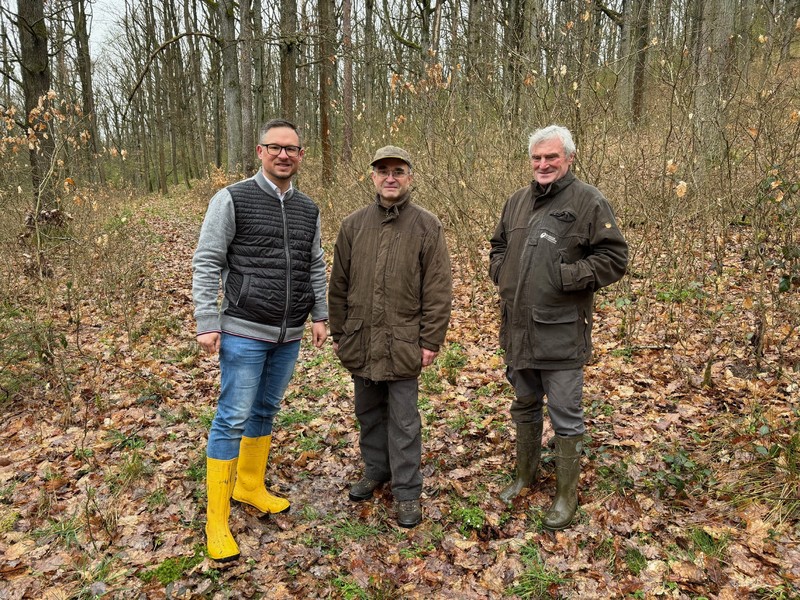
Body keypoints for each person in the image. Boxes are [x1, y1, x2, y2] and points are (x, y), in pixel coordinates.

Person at [192, 119, 328, 561]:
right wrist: (206, 319)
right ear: (260, 151)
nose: (284, 155)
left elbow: (315, 265)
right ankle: (216, 520)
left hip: (288, 333)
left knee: (267, 409)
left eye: (292, 149)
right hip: (244, 329)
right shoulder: (232, 198)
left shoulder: (309, 208)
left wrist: (320, 315)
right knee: (232, 416)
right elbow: (208, 260)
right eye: (275, 147)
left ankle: (249, 485)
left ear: (301, 155)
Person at [489, 125, 628, 530]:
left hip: (561, 332)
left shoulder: (588, 201)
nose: (544, 164)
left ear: (568, 158)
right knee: (524, 405)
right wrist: (501, 271)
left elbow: (614, 258)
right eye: (537, 158)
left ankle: (566, 496)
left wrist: (567, 277)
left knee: (566, 417)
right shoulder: (516, 202)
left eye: (551, 157)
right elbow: (498, 245)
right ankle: (524, 475)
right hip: (517, 330)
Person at [328, 145, 452, 528]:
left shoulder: (426, 226)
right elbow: (339, 285)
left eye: (398, 170)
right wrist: (338, 331)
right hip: (361, 339)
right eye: (383, 171)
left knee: (403, 420)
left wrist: (430, 340)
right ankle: (376, 469)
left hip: (403, 344)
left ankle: (408, 491)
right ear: (373, 177)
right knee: (368, 413)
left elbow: (438, 289)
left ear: (409, 177)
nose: (390, 177)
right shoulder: (353, 225)